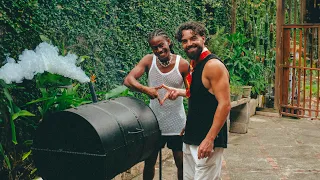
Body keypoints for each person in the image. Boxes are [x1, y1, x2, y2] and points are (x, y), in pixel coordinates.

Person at [162, 21, 231, 180]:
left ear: (203, 38)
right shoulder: (196, 64)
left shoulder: (213, 65)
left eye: (193, 39)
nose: (189, 44)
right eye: (184, 41)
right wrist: (179, 92)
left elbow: (225, 104)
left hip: (206, 140)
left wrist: (210, 139)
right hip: (191, 135)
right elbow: (201, 95)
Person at [123, 29, 189, 180]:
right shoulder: (148, 60)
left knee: (181, 162)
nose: (159, 50)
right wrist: (146, 89)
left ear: (169, 42)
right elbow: (129, 80)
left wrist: (178, 92)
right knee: (149, 161)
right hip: (153, 122)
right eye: (154, 47)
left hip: (177, 123)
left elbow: (192, 92)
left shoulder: (183, 64)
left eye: (161, 45)